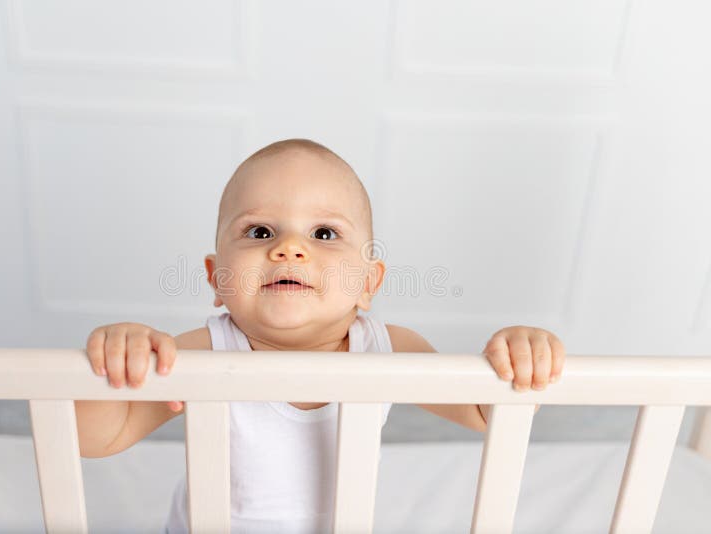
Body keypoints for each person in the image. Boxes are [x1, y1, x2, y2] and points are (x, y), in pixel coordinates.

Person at [75, 138, 566, 533]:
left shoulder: (388, 350)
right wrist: (117, 361)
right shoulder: (198, 354)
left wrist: (518, 354)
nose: (289, 248)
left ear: (369, 283)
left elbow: (484, 411)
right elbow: (97, 438)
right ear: (218, 277)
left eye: (324, 234)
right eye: (260, 232)